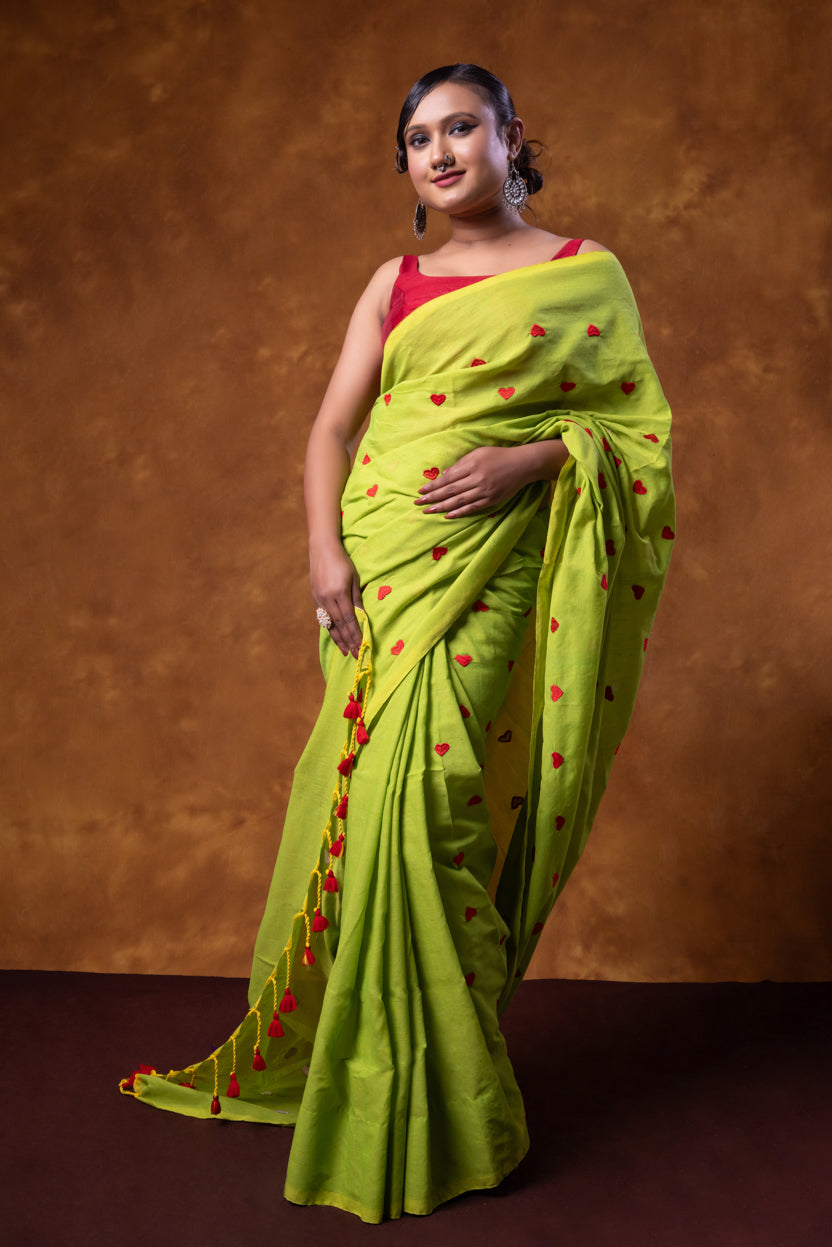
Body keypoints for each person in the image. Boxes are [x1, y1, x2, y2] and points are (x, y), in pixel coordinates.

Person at [121, 63, 675, 1223]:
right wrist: (324, 553)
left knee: (434, 808)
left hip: (494, 566)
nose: (439, 152)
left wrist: (533, 457)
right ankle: (374, 1077)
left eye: (460, 127)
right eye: (418, 139)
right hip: (377, 569)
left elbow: (635, 436)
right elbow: (331, 429)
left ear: (510, 135)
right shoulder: (395, 280)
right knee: (367, 808)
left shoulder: (586, 274)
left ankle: (447, 1100)